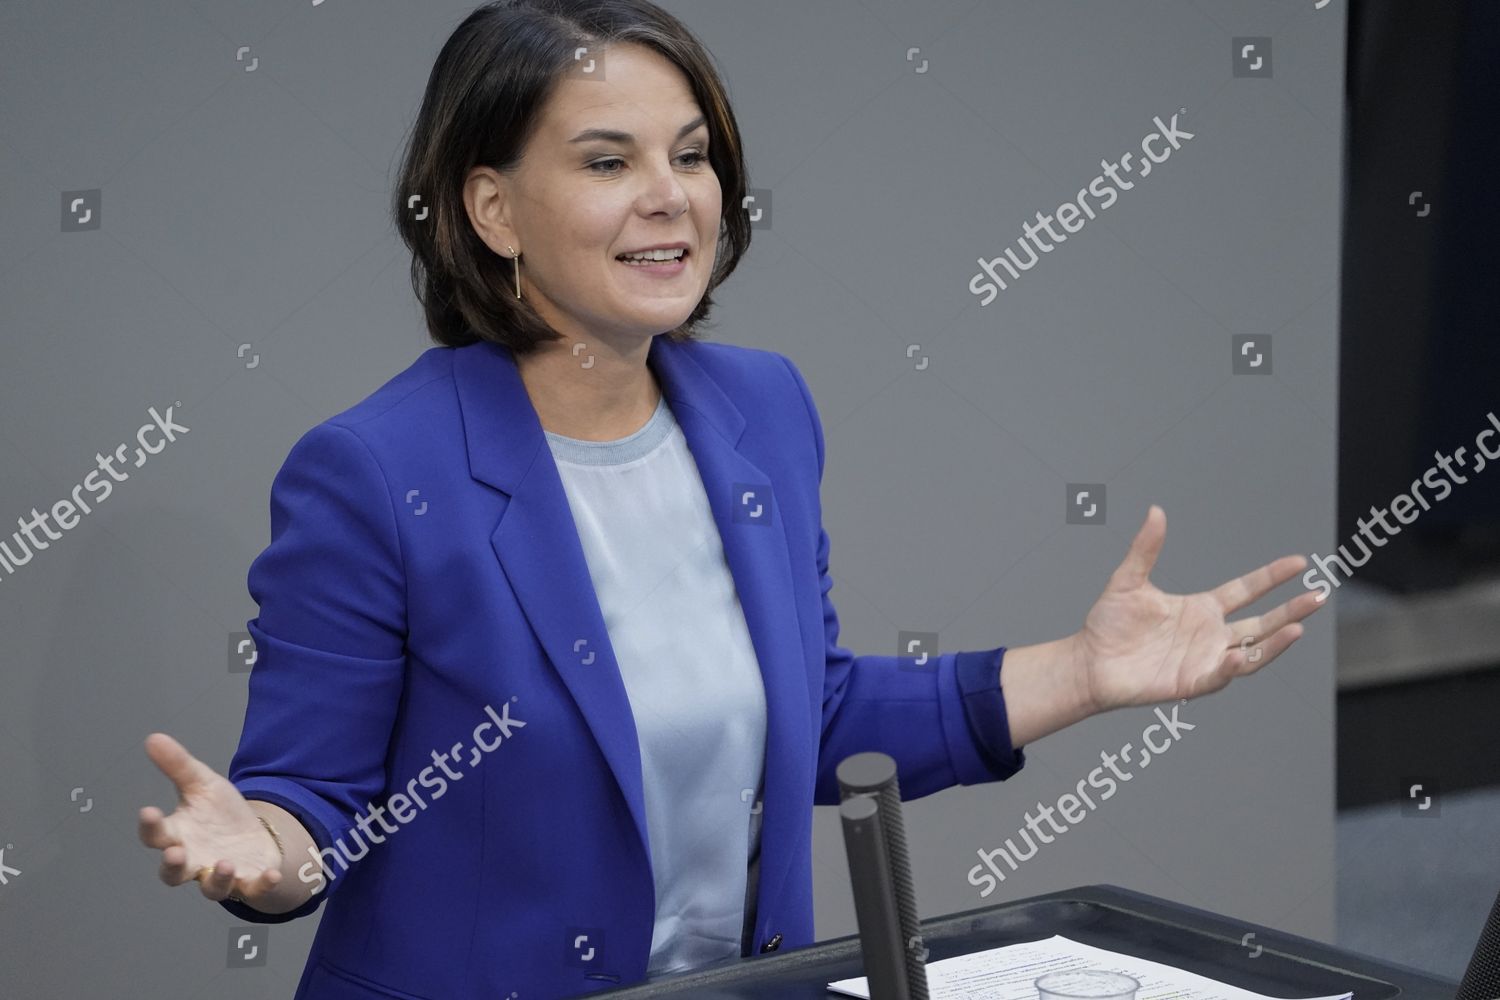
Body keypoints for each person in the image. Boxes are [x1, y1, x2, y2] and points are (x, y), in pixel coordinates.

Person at [136, 2, 1325, 997]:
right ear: (491, 208)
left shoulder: (761, 409)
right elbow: (310, 804)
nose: (671, 197)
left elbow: (814, 714)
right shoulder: (375, 471)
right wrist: (270, 851)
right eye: (608, 162)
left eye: (691, 155)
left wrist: (1087, 669)